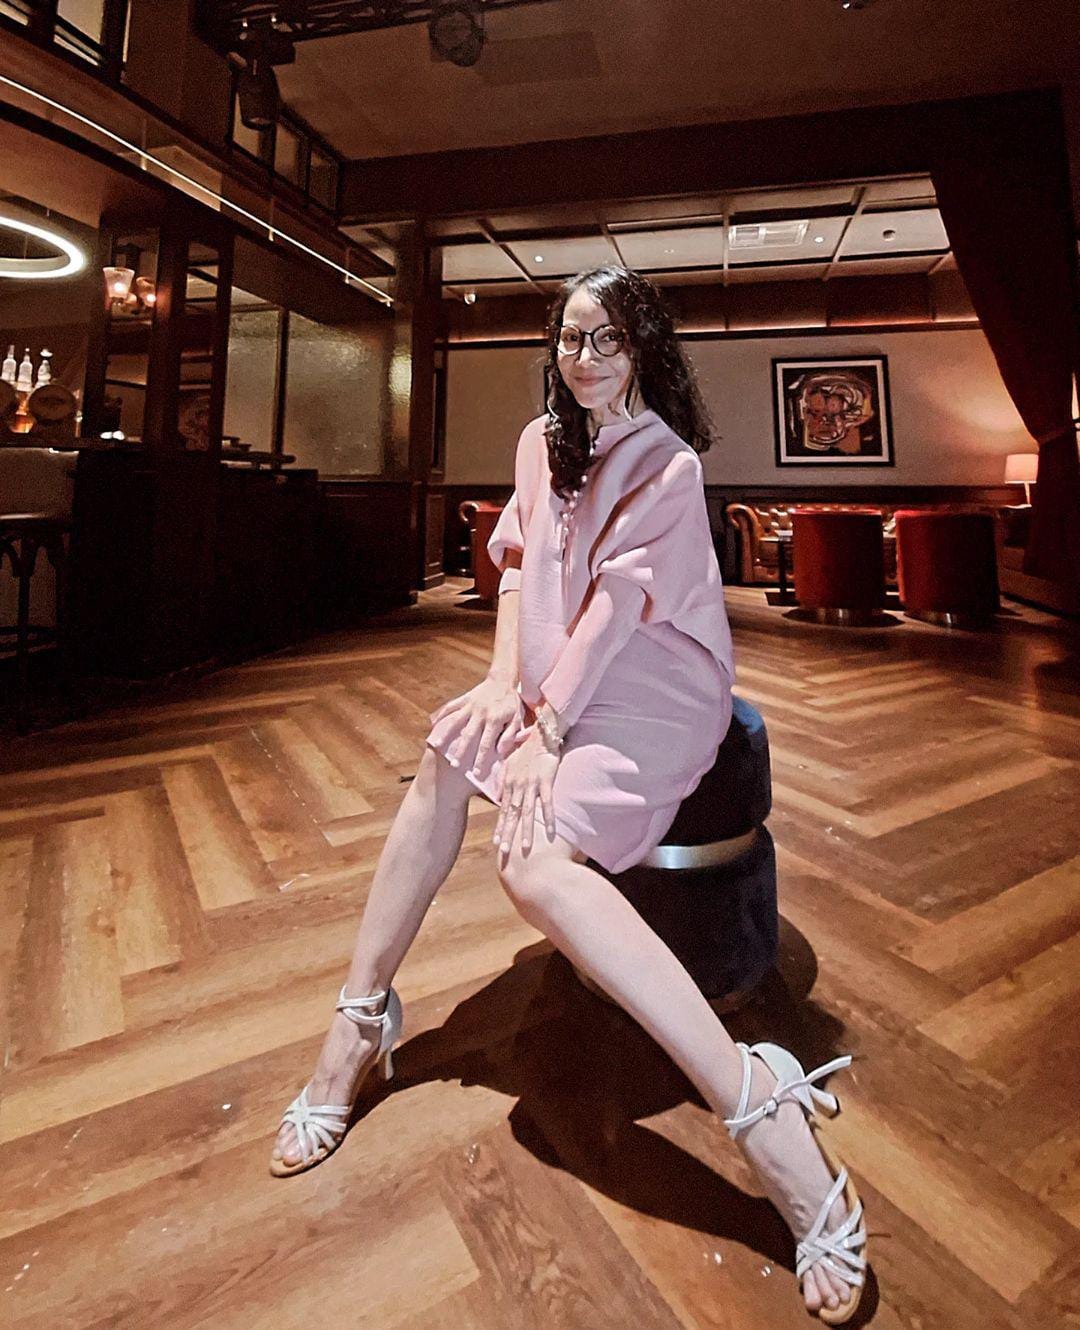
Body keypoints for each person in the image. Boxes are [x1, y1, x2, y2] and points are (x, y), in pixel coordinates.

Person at [270, 265, 868, 1324]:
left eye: (607, 340)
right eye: (570, 338)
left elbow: (618, 611)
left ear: (644, 350)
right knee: (448, 749)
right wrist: (505, 683)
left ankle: (755, 1105)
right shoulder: (539, 444)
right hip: (556, 673)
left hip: (652, 686)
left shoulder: (669, 464)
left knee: (532, 863)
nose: (584, 358)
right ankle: (360, 1019)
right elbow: (516, 571)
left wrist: (547, 729)